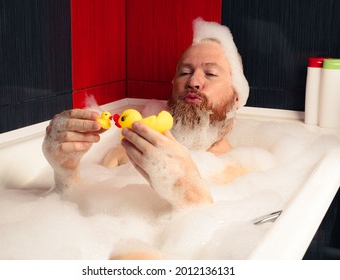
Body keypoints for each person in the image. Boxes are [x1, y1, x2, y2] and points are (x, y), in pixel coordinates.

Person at [42, 18, 249, 209]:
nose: (193, 82)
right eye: (184, 72)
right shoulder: (126, 150)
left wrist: (191, 194)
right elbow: (79, 208)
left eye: (210, 73)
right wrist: (65, 172)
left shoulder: (243, 172)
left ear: (237, 96)